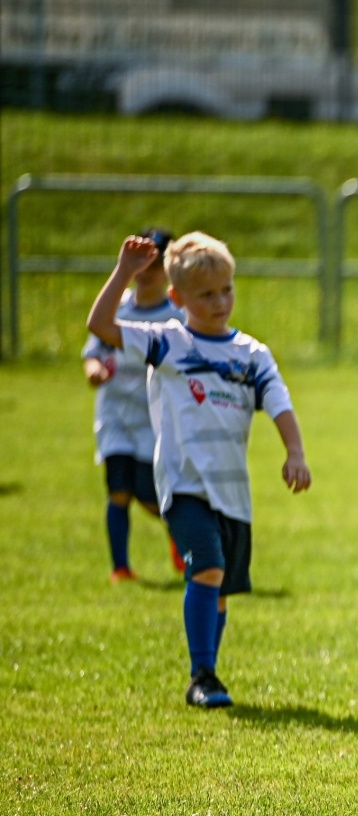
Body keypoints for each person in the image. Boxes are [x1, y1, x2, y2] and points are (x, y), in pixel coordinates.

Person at [86, 232, 312, 709]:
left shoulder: (252, 354)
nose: (220, 301)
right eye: (206, 294)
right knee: (207, 568)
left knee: (222, 587)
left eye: (226, 290)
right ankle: (202, 676)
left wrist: (295, 452)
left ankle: (209, 668)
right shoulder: (167, 342)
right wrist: (125, 270)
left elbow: (279, 403)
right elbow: (101, 325)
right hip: (184, 485)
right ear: (177, 298)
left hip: (233, 491)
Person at [81, 227, 186, 583]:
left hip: (154, 417)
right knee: (118, 490)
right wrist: (94, 369)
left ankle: (179, 532)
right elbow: (93, 349)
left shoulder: (175, 317)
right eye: (142, 262)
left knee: (147, 493)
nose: (148, 271)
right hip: (114, 413)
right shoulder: (117, 305)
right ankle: (120, 568)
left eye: (155, 263)